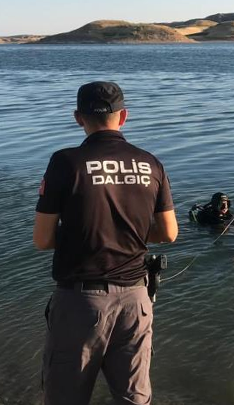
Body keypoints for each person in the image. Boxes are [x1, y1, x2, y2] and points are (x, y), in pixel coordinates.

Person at [33, 81, 178, 405]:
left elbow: (42, 239)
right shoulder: (150, 163)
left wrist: (90, 236)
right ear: (123, 116)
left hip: (81, 302)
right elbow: (169, 233)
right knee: (134, 398)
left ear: (77, 117)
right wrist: (127, 234)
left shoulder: (65, 162)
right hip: (136, 300)